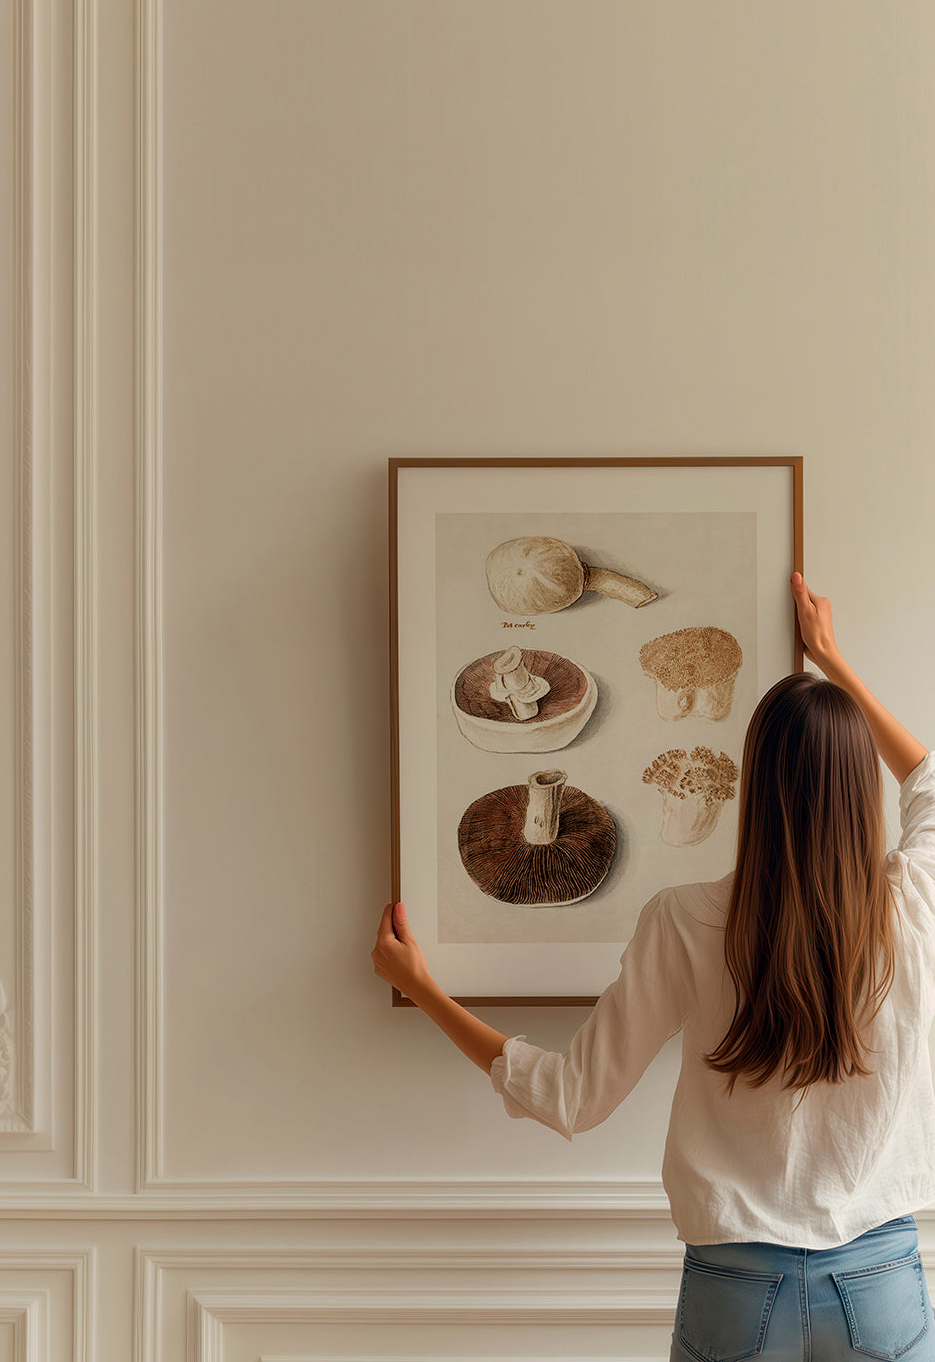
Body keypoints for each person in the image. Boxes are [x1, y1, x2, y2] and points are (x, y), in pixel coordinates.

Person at [371, 572, 935, 1360]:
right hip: (880, 1282)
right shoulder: (917, 906)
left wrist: (424, 989)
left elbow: (571, 1097)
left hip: (737, 1289)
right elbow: (929, 782)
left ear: (757, 787)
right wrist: (833, 663)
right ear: (857, 792)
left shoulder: (686, 918)